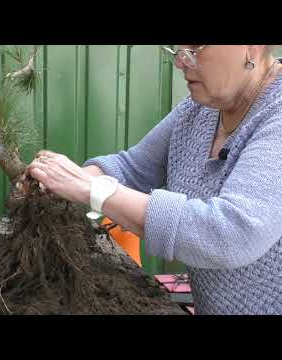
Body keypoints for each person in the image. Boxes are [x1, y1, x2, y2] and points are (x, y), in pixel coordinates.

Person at [27, 45, 282, 315]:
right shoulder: (202, 108)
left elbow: (233, 233)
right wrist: (61, 181)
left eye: (195, 49)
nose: (181, 62)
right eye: (177, 49)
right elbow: (135, 167)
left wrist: (95, 191)